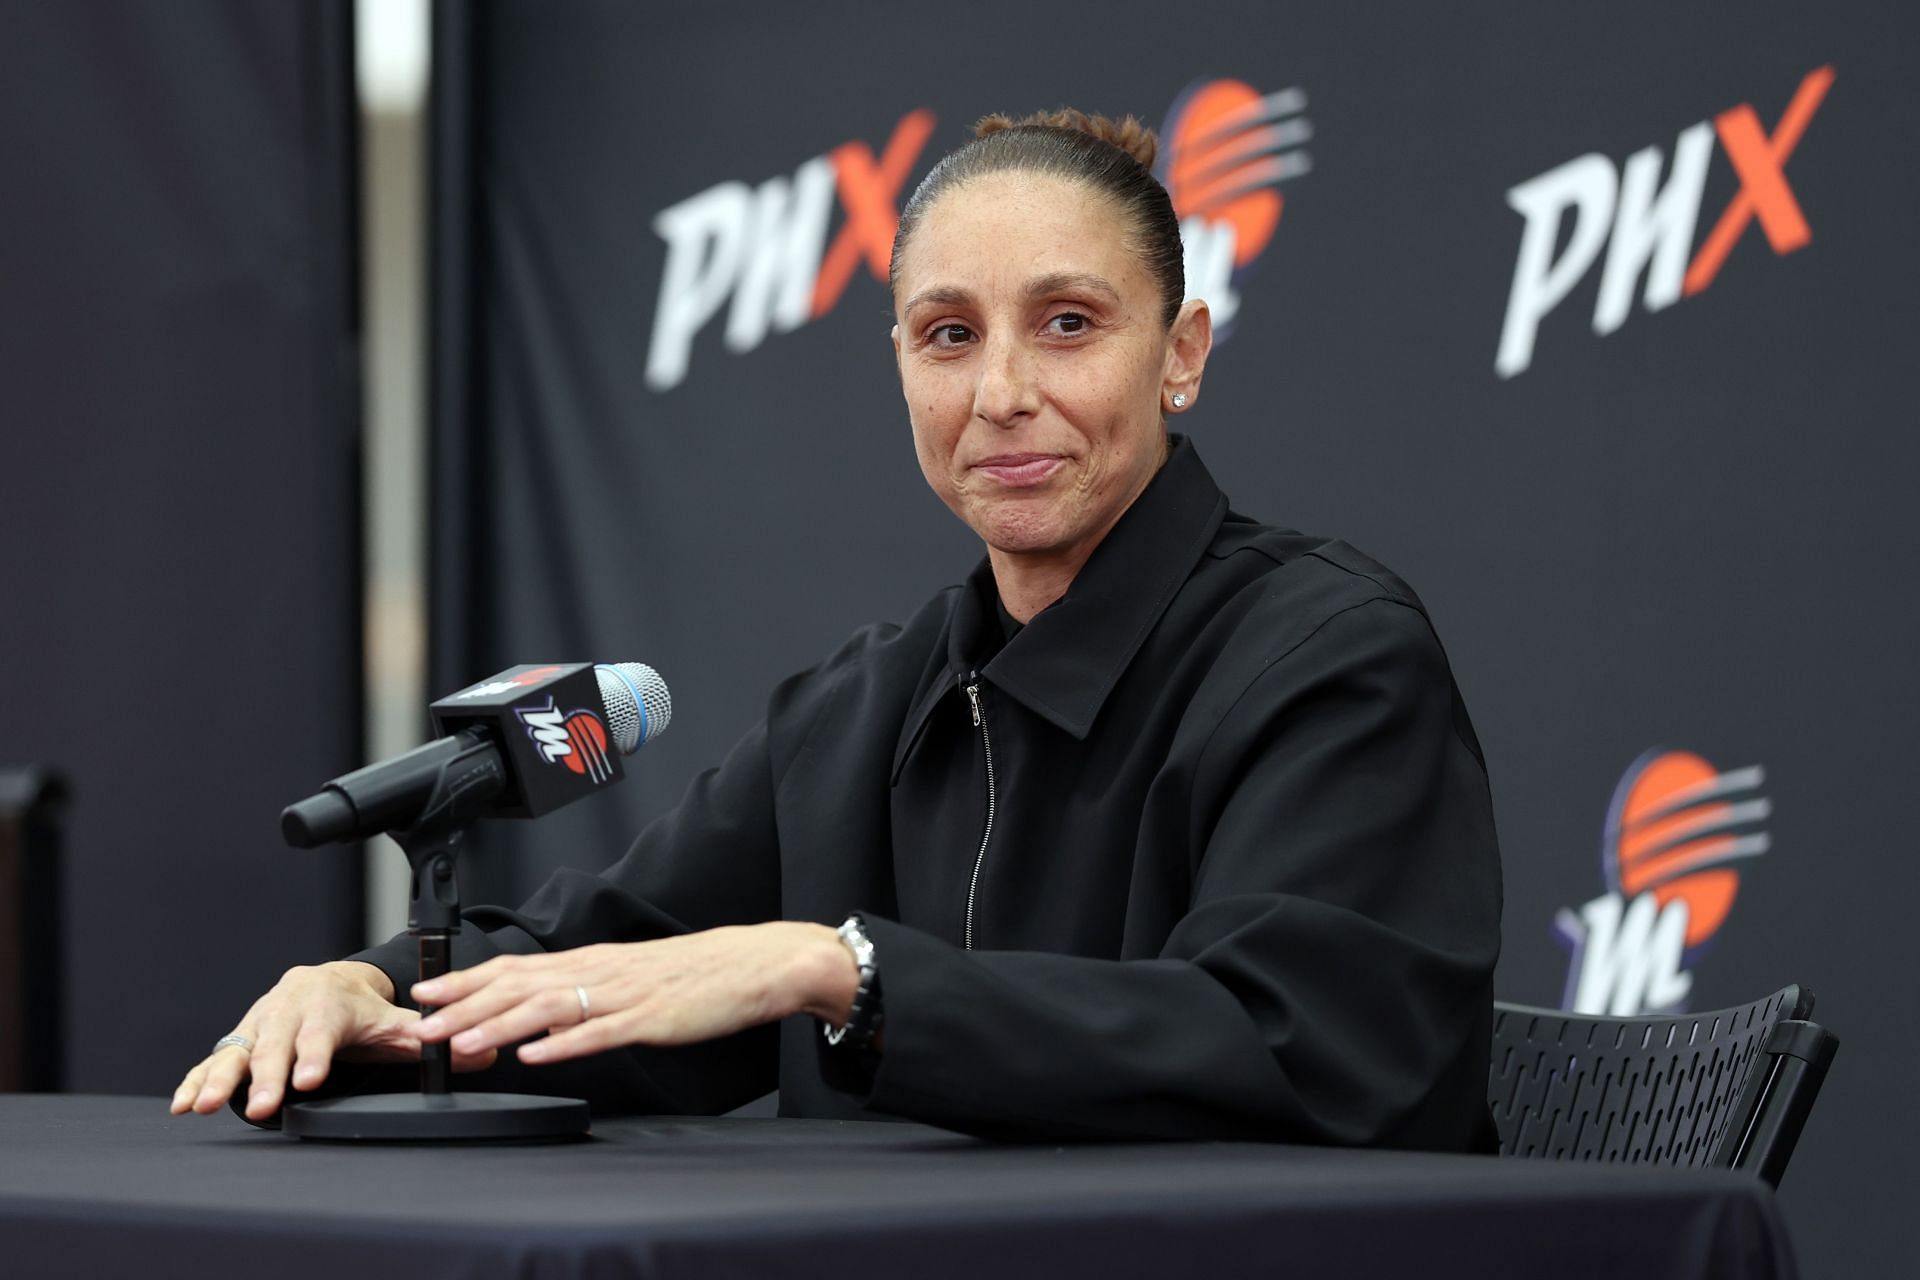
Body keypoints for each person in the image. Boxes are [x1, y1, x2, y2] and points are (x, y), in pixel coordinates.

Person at [172, 110, 1502, 1149]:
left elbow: (1296, 1045)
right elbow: (625, 957)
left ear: (1183, 353)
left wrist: (840, 974)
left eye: (1069, 325)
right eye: (946, 334)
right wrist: (374, 995)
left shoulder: (1329, 653)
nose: (1001, 392)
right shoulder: (863, 704)